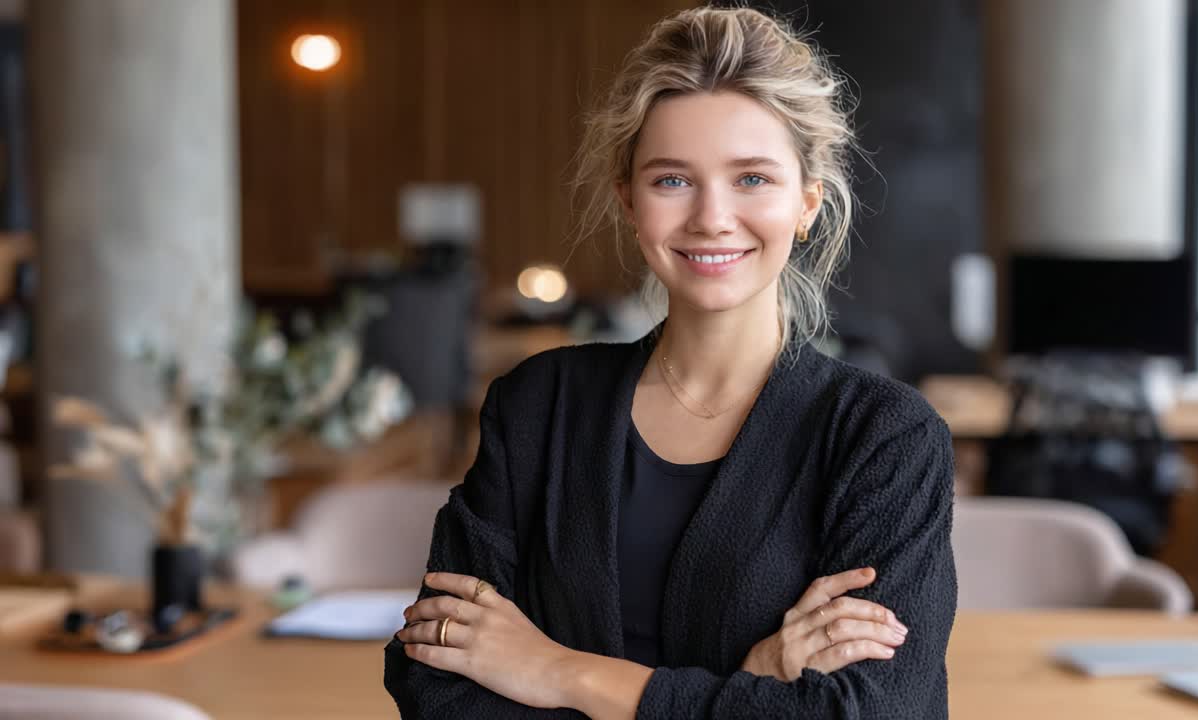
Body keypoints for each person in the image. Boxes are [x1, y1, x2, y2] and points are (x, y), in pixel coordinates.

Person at [384, 6, 956, 718]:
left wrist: (561, 672)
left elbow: (874, 711)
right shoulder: (538, 405)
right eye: (672, 180)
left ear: (807, 202)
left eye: (751, 178)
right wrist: (753, 682)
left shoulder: (884, 438)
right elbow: (433, 678)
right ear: (629, 199)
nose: (711, 217)